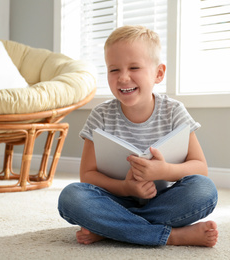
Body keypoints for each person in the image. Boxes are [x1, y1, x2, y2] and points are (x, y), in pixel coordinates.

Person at [58, 25, 218, 247]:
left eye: (134, 67)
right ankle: (172, 236)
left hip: (163, 201)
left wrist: (164, 171)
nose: (123, 78)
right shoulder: (101, 115)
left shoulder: (174, 111)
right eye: (114, 70)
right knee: (71, 196)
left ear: (158, 73)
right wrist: (126, 187)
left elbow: (200, 168)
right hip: (115, 200)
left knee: (204, 189)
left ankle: (111, 229)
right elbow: (87, 175)